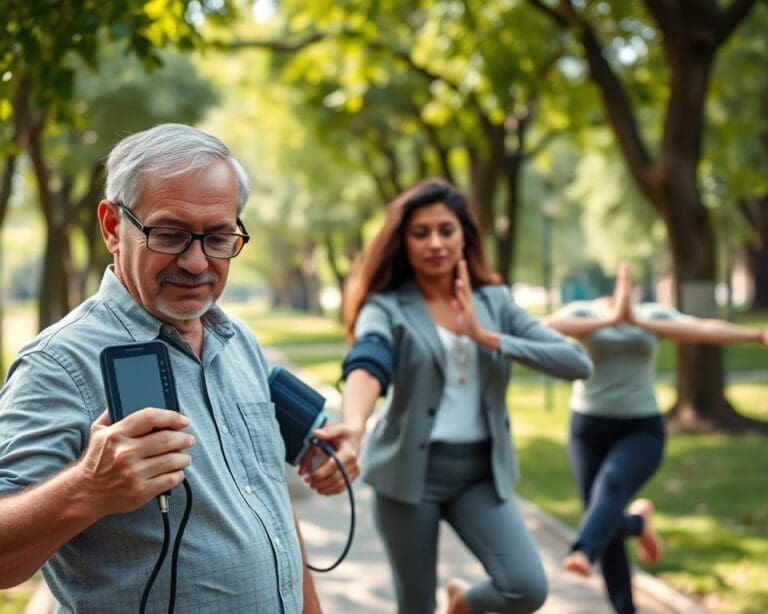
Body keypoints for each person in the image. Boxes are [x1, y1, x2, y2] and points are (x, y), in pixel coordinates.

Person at [0, 123, 336, 612]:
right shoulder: (58, 363)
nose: (198, 263)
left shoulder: (238, 340)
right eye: (171, 235)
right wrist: (88, 489)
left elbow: (269, 506)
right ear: (114, 228)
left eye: (219, 238)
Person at [327, 178, 593, 614]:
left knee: (526, 587)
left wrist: (486, 336)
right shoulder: (387, 306)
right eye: (421, 232)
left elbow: (576, 363)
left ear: (464, 236)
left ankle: (464, 603)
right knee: (415, 606)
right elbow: (368, 360)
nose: (435, 242)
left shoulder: (494, 302)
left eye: (446, 230)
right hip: (409, 475)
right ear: (404, 242)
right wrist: (354, 427)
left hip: (479, 474)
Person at [542, 262, 768, 614]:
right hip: (587, 430)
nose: (622, 295)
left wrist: (755, 335)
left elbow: (703, 329)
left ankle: (583, 551)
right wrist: (610, 320)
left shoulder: (653, 315)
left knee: (610, 491)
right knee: (603, 515)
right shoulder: (585, 312)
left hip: (640, 429)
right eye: (616, 291)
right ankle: (635, 538)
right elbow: (545, 327)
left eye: (627, 290)